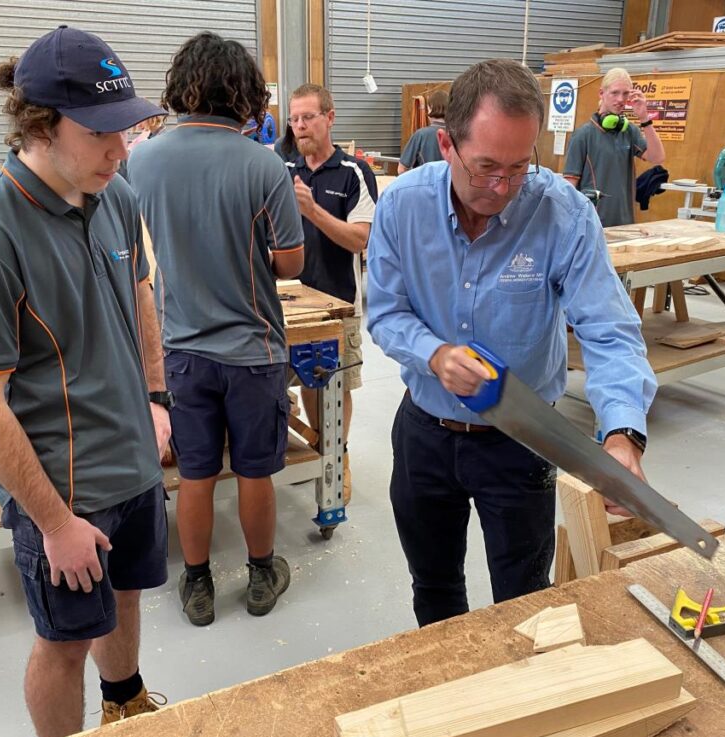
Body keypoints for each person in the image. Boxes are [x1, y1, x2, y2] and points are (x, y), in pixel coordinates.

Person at [0, 26, 172, 737]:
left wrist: (156, 400)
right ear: (39, 124)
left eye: (125, 128)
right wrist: (54, 522)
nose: (119, 148)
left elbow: (140, 299)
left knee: (125, 595)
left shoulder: (115, 197)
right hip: (64, 492)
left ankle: (125, 700)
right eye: (100, 131)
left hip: (132, 462)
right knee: (65, 643)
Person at [367, 59, 655, 627]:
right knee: (435, 586)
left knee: (525, 598)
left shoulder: (564, 214)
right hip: (426, 431)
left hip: (522, 439)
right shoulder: (403, 206)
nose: (501, 188)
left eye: (520, 168)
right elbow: (384, 312)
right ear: (446, 144)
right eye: (486, 168)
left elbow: (609, 328)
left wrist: (622, 433)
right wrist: (433, 353)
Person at [128, 32, 304, 627]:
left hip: (181, 348)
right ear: (247, 93)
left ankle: (197, 584)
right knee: (256, 471)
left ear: (181, 88)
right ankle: (260, 575)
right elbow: (291, 263)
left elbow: (132, 252)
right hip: (252, 349)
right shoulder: (264, 165)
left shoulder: (143, 159)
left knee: (196, 473)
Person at [284, 83, 377, 504]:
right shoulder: (282, 167)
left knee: (336, 387)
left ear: (329, 118)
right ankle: (320, 450)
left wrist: (313, 210)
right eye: (294, 118)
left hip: (338, 304)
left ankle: (337, 456)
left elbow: (360, 240)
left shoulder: (354, 172)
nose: (300, 126)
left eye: (308, 117)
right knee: (306, 381)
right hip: (290, 304)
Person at [563, 67, 665, 227]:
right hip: (592, 225)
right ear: (601, 94)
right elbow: (569, 186)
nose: (620, 99)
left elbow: (657, 157)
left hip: (625, 224)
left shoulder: (629, 131)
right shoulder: (583, 135)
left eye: (625, 94)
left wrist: (645, 118)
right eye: (615, 93)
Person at [398, 89, 449, 173]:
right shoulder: (458, 135)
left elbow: (402, 169)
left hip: (425, 185)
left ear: (430, 108)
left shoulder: (421, 135)